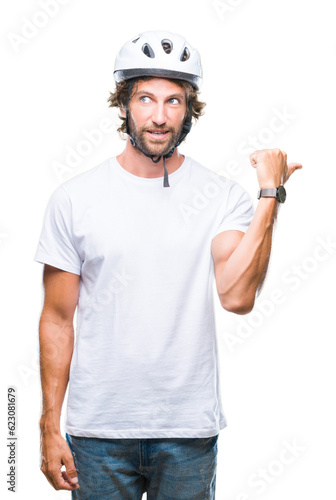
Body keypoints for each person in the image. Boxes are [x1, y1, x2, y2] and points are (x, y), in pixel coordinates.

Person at [34, 30, 302, 499]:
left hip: (187, 432)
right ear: (123, 106)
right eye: (145, 99)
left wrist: (269, 195)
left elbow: (237, 297)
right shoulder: (74, 199)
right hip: (97, 432)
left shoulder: (220, 197)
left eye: (174, 101)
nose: (159, 117)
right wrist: (48, 424)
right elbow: (57, 318)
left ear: (189, 111)